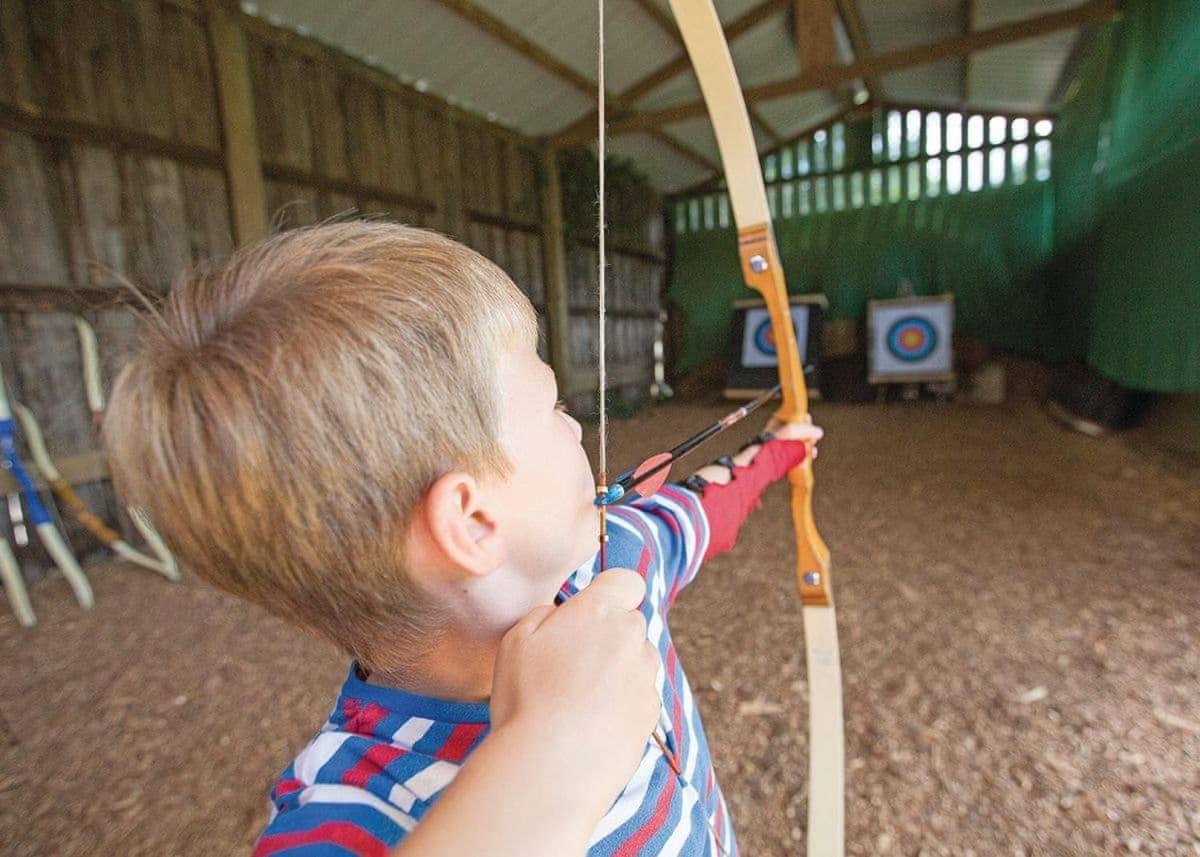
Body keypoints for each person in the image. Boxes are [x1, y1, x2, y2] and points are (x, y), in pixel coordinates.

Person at [104, 222, 822, 856]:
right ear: (474, 521)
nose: (578, 428)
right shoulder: (353, 814)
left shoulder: (606, 564)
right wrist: (555, 749)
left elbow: (698, 508)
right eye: (554, 407)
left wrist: (782, 448)